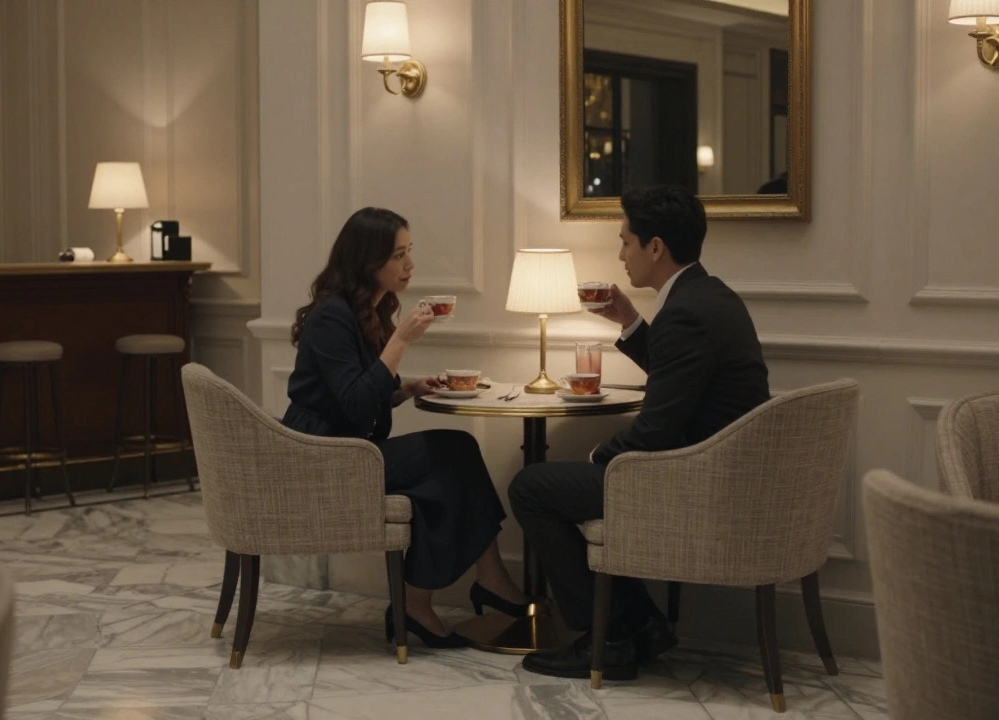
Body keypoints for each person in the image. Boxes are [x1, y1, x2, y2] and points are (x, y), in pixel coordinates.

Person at [509, 185, 771, 680]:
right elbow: (682, 384)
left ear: (655, 248)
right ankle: (642, 625)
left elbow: (656, 429)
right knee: (563, 485)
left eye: (626, 241)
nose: (621, 254)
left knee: (532, 487)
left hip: (698, 483)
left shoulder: (686, 313)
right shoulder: (710, 295)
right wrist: (630, 322)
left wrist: (599, 456)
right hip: (717, 469)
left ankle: (605, 637)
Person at [284, 207, 528, 648]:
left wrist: (407, 388)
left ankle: (431, 598)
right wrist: (401, 342)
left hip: (350, 446)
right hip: (323, 456)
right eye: (398, 256)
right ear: (366, 260)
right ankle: (458, 589)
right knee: (452, 454)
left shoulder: (365, 310)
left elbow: (356, 390)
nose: (410, 265)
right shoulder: (331, 317)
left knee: (447, 469)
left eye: (408, 253)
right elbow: (356, 404)